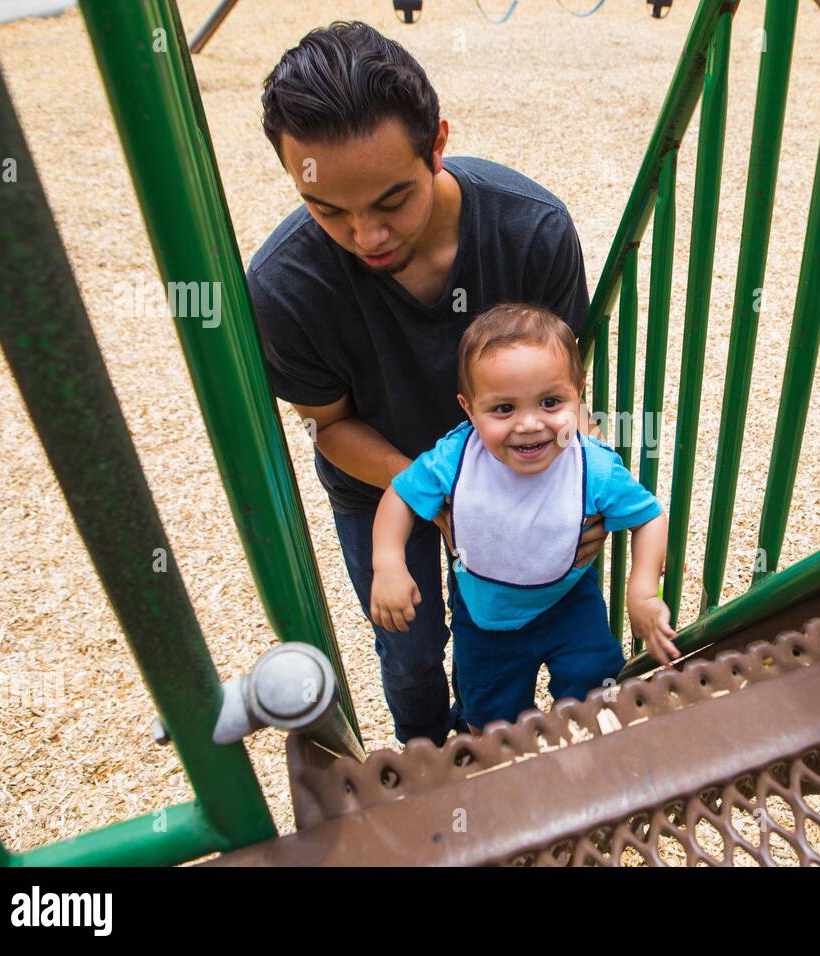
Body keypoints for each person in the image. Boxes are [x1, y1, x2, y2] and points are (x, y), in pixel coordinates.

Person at [247, 22, 608, 746]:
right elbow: (333, 425)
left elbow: (562, 387)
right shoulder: (285, 286)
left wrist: (583, 479)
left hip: (519, 469)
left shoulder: (531, 229)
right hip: (380, 485)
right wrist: (431, 489)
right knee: (410, 655)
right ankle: (427, 766)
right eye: (328, 211)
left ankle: (533, 747)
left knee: (546, 618)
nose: (366, 236)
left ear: (437, 141)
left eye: (391, 201)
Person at [369, 304, 681, 731]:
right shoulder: (457, 458)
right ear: (469, 408)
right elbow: (401, 496)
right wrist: (388, 563)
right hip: (487, 618)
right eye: (503, 409)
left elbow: (648, 517)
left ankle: (594, 770)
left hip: (568, 604)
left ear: (578, 393)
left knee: (601, 696)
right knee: (491, 720)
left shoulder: (592, 466)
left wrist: (643, 591)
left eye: (551, 402)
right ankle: (504, 776)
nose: (530, 424)